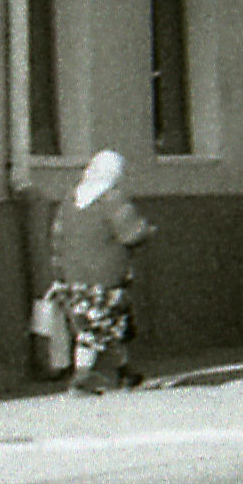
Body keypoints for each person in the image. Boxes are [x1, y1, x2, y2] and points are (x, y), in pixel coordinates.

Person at [47, 149, 155, 395]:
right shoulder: (111, 199)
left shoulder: (70, 201)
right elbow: (131, 233)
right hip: (107, 275)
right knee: (100, 326)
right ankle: (81, 377)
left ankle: (125, 372)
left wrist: (60, 272)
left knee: (102, 323)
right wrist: (148, 231)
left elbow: (57, 238)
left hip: (74, 276)